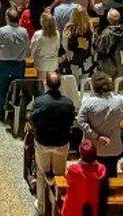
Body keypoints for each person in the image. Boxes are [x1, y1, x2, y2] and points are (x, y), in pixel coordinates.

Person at [29, 72, 75, 216]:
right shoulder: (68, 103)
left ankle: (42, 207)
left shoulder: (39, 102)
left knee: (42, 173)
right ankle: (56, 207)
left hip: (43, 142)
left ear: (46, 84)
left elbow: (33, 120)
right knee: (59, 175)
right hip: (61, 143)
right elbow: (70, 122)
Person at [77, 71, 123, 173]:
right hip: (113, 145)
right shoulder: (119, 100)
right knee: (111, 174)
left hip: (94, 147)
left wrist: (97, 136)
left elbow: (80, 122)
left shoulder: (88, 103)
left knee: (95, 177)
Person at [0, 7, 30, 119]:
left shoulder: (1, 31)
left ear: (7, 18)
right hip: (18, 63)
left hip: (4, 63)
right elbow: (27, 46)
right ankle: (15, 109)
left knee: (2, 87)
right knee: (17, 87)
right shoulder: (23, 32)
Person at [61, 139, 106, 216]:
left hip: (72, 212)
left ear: (81, 155)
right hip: (92, 211)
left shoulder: (73, 170)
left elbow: (68, 181)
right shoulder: (101, 169)